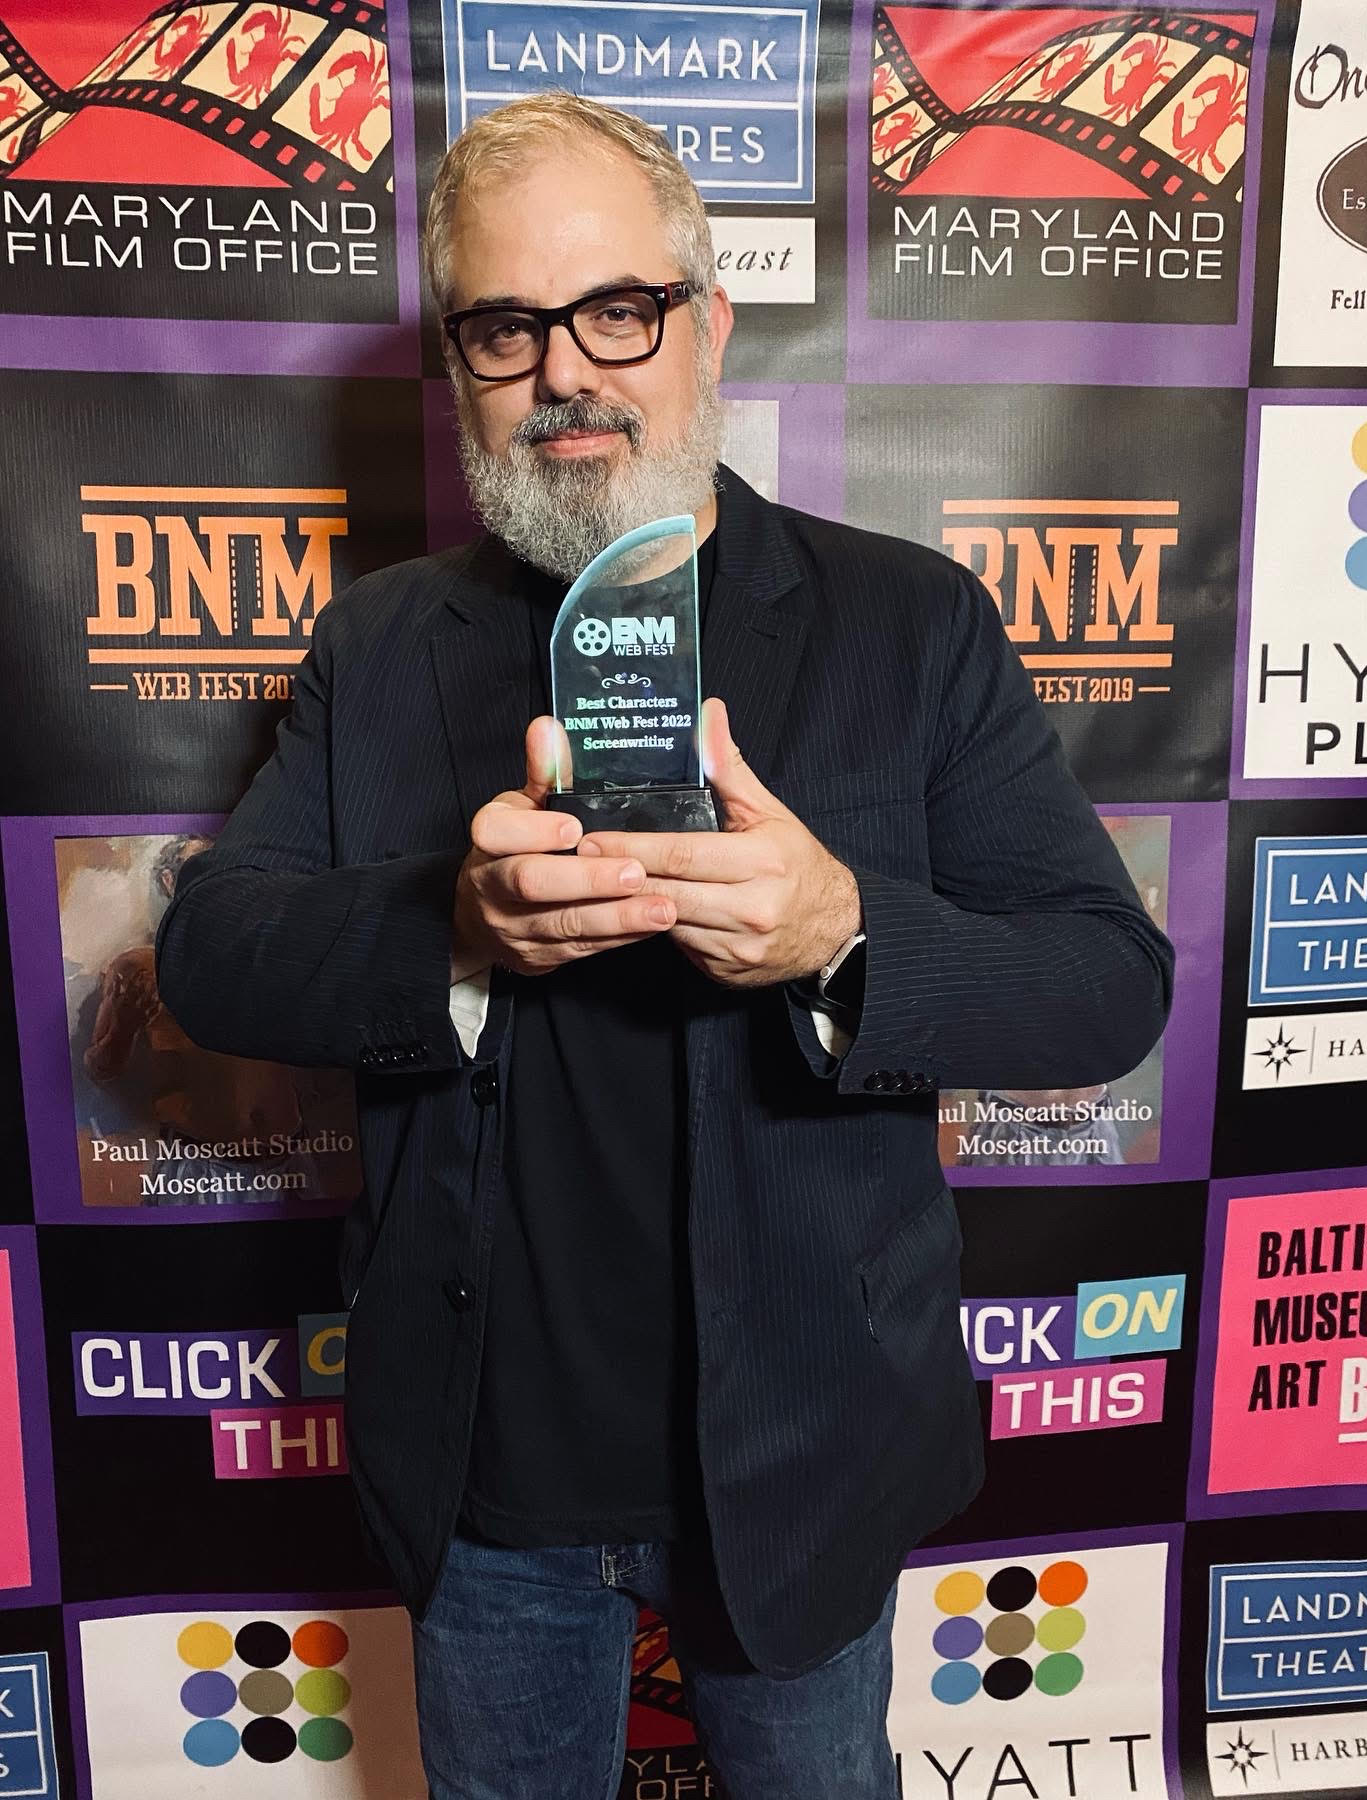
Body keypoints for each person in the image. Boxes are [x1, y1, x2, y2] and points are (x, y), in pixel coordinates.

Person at [155, 89, 1174, 1800]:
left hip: (802, 1457)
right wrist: (453, 929)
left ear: (706, 325)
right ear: (460, 363)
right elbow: (217, 960)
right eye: (504, 325)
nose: (568, 372)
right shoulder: (383, 640)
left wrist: (847, 934)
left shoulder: (905, 623)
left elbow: (1107, 981)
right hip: (487, 1478)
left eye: (618, 309)